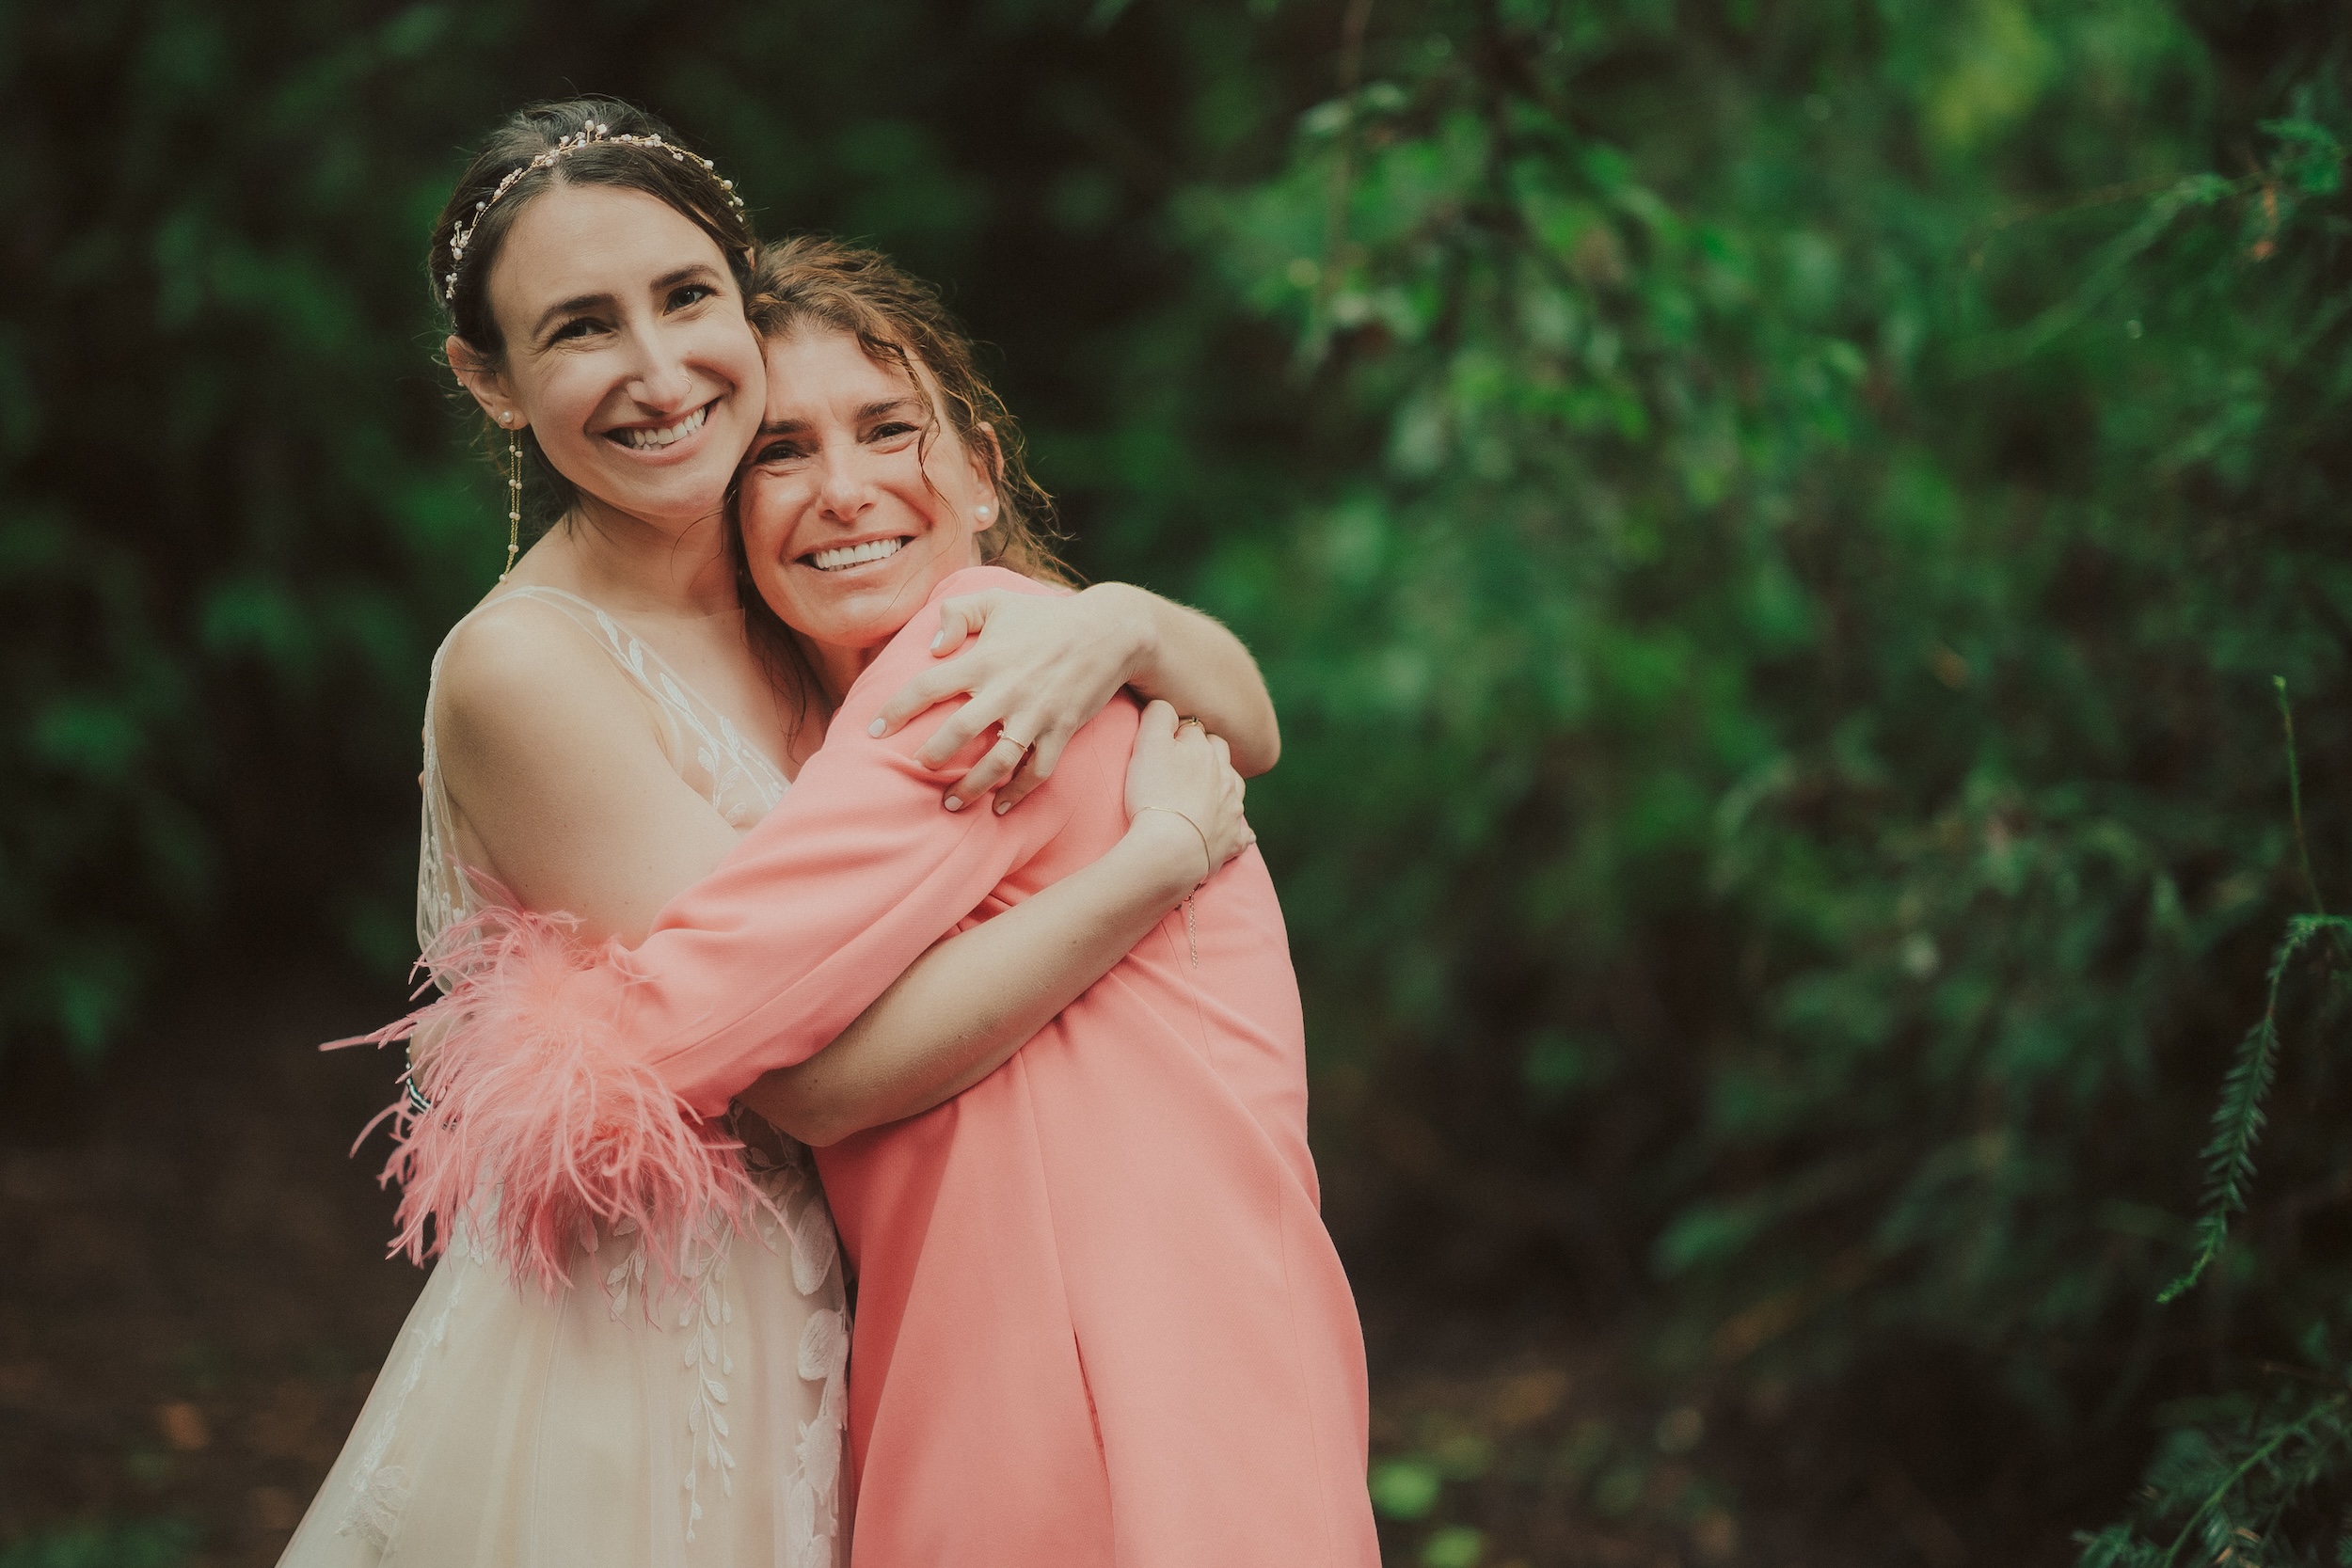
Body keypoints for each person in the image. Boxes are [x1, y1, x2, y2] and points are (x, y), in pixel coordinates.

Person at [279, 99, 1279, 1568]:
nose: (659, 369)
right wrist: (1154, 866)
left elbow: (1245, 720)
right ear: (489, 384)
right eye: (578, 329)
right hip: (663, 1347)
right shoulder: (525, 671)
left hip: (864, 1316)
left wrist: (1122, 619)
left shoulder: (802, 597)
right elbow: (809, 1077)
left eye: (687, 299)